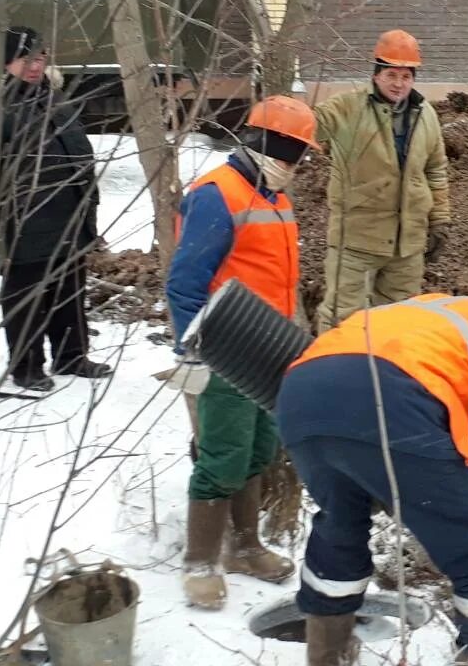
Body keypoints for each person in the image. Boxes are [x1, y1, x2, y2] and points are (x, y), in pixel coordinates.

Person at [276, 293, 468, 666]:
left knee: (341, 524)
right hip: (392, 398)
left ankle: (326, 654)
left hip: (300, 399)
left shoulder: (414, 316)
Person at [163, 96, 320, 609]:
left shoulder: (274, 197)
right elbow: (186, 284)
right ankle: (202, 561)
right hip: (225, 347)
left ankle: (245, 546)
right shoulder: (216, 194)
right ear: (263, 142)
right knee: (223, 457)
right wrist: (192, 350)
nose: (297, 163)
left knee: (257, 450)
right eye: (293, 150)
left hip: (267, 348)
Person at [0, 27, 110, 393]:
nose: (35, 66)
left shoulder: (52, 98)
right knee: (25, 298)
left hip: (67, 218)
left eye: (41, 58)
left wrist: (87, 210)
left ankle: (71, 356)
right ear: (5, 61)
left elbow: (76, 152)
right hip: (20, 224)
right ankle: (26, 367)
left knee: (69, 290)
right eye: (26, 58)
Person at [312, 30, 451, 333]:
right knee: (343, 321)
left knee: (399, 323)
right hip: (356, 241)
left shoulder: (426, 114)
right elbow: (310, 126)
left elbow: (436, 169)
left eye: (405, 76)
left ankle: (388, 379)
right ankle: (335, 377)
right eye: (391, 74)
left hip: (407, 246)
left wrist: (439, 220)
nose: (398, 83)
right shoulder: (348, 109)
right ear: (376, 74)